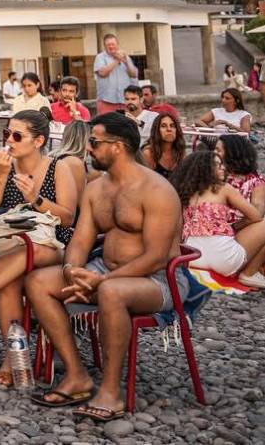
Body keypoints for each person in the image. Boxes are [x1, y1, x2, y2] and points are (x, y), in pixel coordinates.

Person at [25, 113, 189, 421]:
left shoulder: (157, 190)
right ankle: (77, 375)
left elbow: (156, 256)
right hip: (104, 270)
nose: (88, 148)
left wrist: (102, 280)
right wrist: (72, 271)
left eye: (95, 142)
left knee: (112, 292)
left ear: (118, 146)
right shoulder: (96, 188)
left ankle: (111, 391)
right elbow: (80, 241)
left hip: (159, 279)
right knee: (37, 282)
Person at [0, 109, 85, 386]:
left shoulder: (58, 168)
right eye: (7, 133)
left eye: (17, 135)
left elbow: (68, 217)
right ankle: (14, 358)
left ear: (39, 141)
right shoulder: (3, 165)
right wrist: (0, 175)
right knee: (10, 282)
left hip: (53, 244)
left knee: (36, 250)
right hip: (12, 243)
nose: (9, 140)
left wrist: (36, 198)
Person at [173, 150, 265, 286]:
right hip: (223, 259)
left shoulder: (184, 191)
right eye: (217, 165)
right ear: (205, 168)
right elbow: (256, 216)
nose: (223, 167)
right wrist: (235, 226)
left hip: (192, 258)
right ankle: (249, 274)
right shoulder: (223, 188)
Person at [93, 34, 138, 115]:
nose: (111, 46)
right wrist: (117, 60)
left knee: (127, 122)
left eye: (113, 44)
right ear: (104, 46)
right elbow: (102, 73)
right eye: (108, 45)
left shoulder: (126, 57)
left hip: (125, 101)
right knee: (106, 123)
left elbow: (134, 74)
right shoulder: (100, 57)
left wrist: (126, 62)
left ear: (117, 45)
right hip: (106, 101)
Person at [141, 113, 185, 179]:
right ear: (157, 130)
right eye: (163, 126)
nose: (169, 129)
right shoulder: (149, 153)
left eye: (172, 126)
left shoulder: (180, 152)